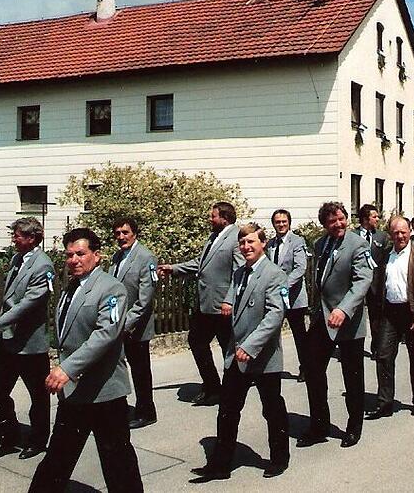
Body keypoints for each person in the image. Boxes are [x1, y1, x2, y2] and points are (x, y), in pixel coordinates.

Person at [29, 228, 143, 493]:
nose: (74, 260)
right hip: (76, 392)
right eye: (69, 255)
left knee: (118, 460)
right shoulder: (71, 288)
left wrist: (67, 368)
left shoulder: (111, 288)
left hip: (104, 392)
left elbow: (106, 334)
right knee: (58, 457)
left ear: (97, 255)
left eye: (81, 254)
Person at [190, 224, 290, 482]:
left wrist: (251, 346)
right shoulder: (239, 273)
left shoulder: (275, 274)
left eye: (251, 242)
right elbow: (234, 298)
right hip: (236, 354)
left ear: (263, 243)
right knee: (228, 409)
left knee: (272, 408)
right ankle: (220, 465)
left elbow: (275, 315)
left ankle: (279, 459)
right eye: (243, 243)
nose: (246, 247)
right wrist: (227, 302)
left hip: (263, 356)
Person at [0, 217, 52, 460]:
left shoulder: (43, 266)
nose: (14, 239)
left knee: (38, 395)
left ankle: (38, 440)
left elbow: (26, 305)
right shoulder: (17, 259)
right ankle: (7, 436)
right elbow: (12, 296)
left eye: (18, 235)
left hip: (30, 343)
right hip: (7, 340)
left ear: (32, 238)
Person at [299, 202, 373, 449]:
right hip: (323, 318)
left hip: (348, 321)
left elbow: (363, 280)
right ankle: (319, 425)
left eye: (341, 218)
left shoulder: (358, 244)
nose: (339, 224)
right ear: (325, 224)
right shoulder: (321, 244)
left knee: (352, 377)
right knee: (312, 369)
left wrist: (344, 308)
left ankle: (354, 427)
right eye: (333, 221)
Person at [159, 201, 243, 406]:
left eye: (212, 216)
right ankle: (213, 387)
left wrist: (229, 300)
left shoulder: (236, 238)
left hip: (223, 306)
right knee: (197, 341)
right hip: (206, 304)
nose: (209, 219)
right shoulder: (213, 237)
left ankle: (232, 388)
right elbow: (201, 263)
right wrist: (174, 268)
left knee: (228, 348)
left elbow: (239, 273)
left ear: (224, 217)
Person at [365, 216, 414, 419]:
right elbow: (378, 285)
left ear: (410, 232)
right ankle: (385, 403)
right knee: (384, 357)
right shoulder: (386, 256)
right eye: (395, 232)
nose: (400, 236)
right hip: (390, 313)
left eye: (403, 232)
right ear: (390, 234)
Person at [111, 217, 159, 429]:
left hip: (135, 327)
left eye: (125, 232)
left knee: (140, 371)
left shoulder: (146, 257)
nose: (121, 237)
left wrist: (127, 324)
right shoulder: (117, 256)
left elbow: (145, 299)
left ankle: (146, 411)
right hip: (118, 324)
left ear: (135, 233)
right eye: (118, 233)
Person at [267, 209, 311, 383]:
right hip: (275, 298)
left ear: (289, 223)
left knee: (300, 335)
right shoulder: (270, 244)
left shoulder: (297, 241)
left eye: (284, 221)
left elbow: (300, 268)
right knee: (270, 334)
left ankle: (306, 368)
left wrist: (283, 286)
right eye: (278, 222)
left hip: (294, 298)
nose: (281, 225)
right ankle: (270, 369)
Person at [354, 204, 389, 358]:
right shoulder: (353, 236)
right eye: (374, 216)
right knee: (355, 314)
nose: (377, 219)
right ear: (365, 218)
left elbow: (386, 258)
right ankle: (353, 347)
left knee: (377, 316)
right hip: (356, 281)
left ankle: (376, 347)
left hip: (376, 283)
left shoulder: (382, 236)